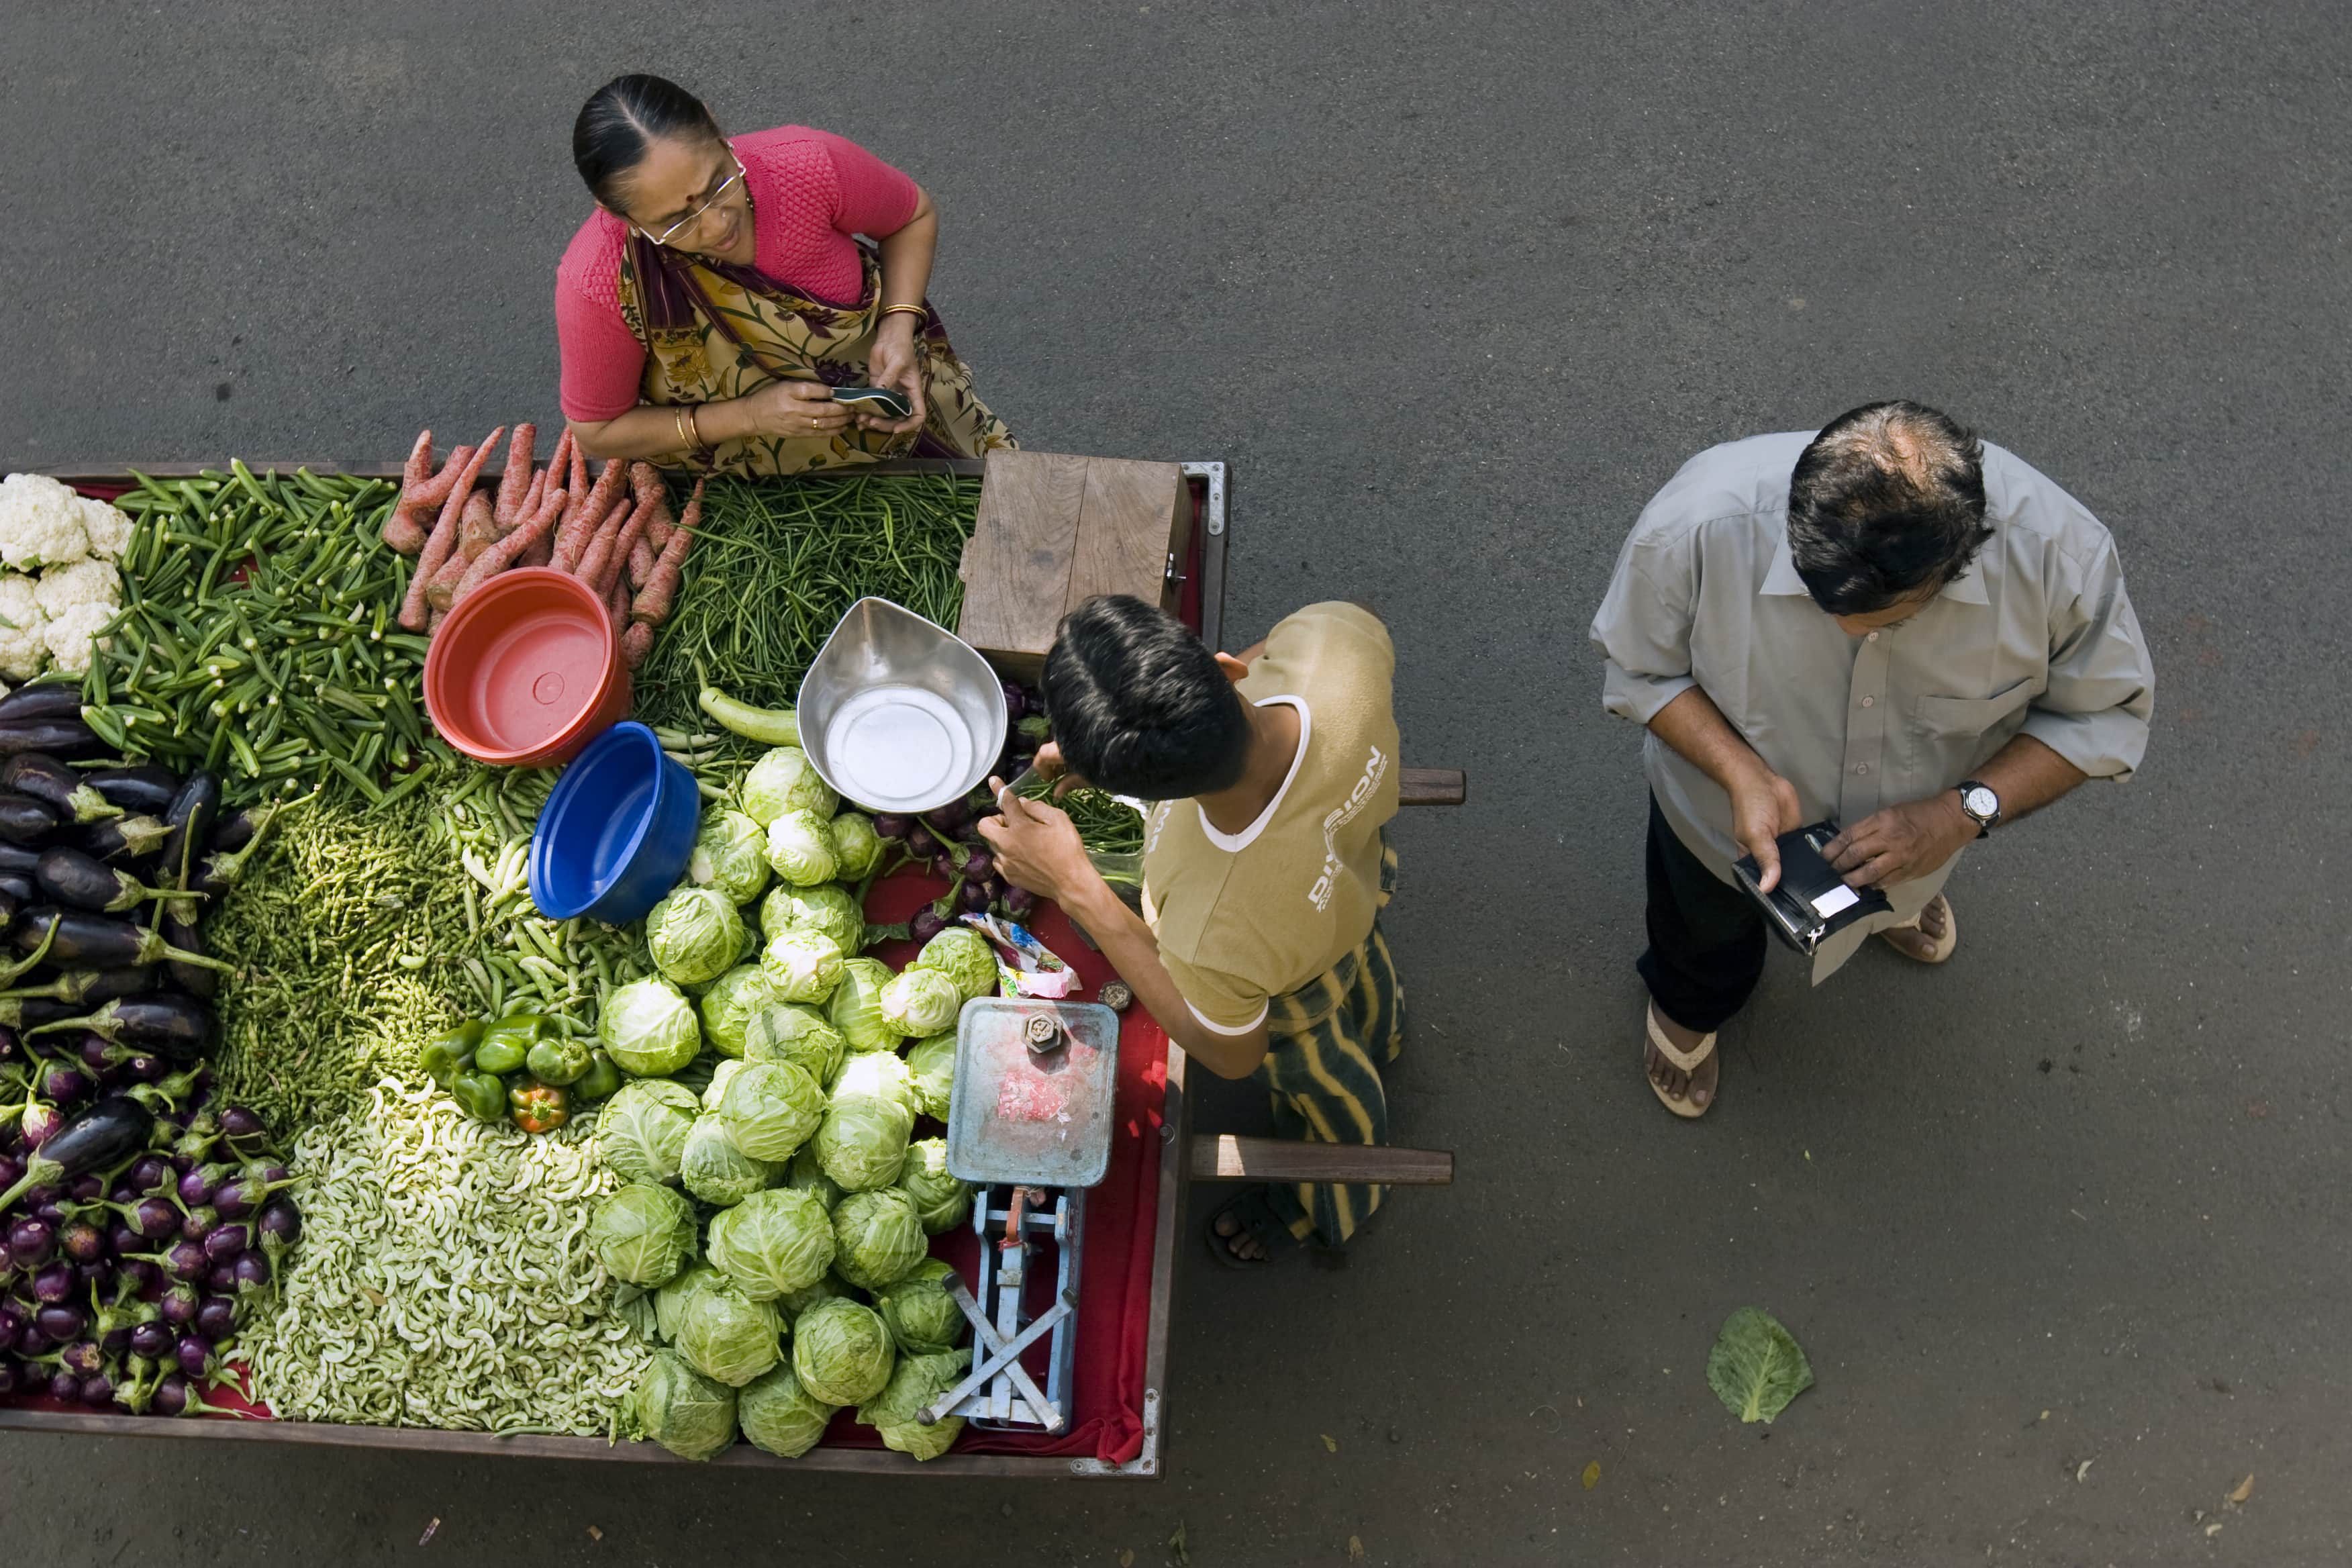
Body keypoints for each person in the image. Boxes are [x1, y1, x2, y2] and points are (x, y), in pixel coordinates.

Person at [1589, 401, 2154, 1118]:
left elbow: (2100, 714)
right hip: (1712, 821)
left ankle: (1895, 907)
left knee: (1909, 876)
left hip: (1929, 835)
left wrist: (1960, 813)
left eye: (1884, 616)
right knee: (1699, 931)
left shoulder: (2063, 561)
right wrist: (1740, 771)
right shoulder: (1697, 521)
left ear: (1962, 555)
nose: (1838, 626)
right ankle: (1688, 1009)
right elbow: (1641, 670)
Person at [977, 595, 1403, 1267]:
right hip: (1355, 880)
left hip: (1292, 987)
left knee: (1330, 1088)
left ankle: (1328, 1201)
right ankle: (1389, 1027)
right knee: (1368, 974)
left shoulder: (1214, 922)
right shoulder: (1334, 642)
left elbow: (1235, 1053)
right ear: (1224, 668)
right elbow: (1265, 658)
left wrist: (1078, 888)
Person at [556, 74, 1014, 475]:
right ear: (619, 215)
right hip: (736, 478)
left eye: (719, 183)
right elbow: (598, 431)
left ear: (716, 129)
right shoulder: (599, 280)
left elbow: (911, 217)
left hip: (900, 419)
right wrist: (750, 417)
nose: (718, 226)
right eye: (676, 220)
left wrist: (898, 326)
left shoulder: (806, 167)